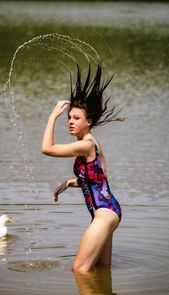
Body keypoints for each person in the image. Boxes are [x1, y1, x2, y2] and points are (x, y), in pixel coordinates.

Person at [42, 64, 124, 273]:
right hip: (109, 211)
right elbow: (100, 179)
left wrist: (52, 116)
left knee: (79, 270)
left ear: (89, 121)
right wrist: (71, 183)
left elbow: (47, 149)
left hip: (104, 215)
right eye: (69, 117)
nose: (69, 121)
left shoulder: (85, 145)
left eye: (75, 118)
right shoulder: (93, 143)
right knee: (102, 271)